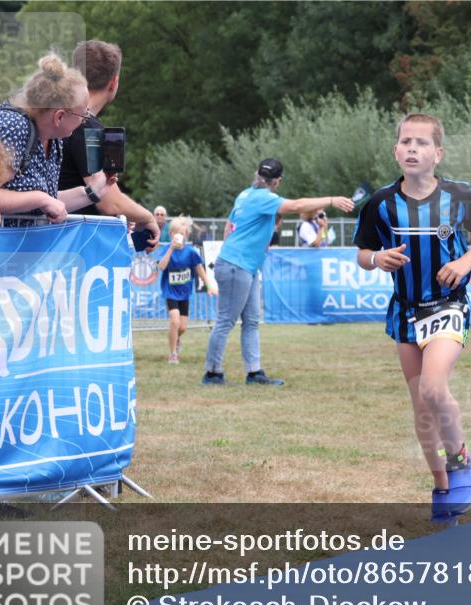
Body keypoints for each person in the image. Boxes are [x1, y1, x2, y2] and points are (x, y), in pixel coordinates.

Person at [353, 113, 471, 523]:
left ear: (438, 153)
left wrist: (467, 258)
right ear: (395, 150)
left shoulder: (458, 195)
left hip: (447, 304)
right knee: (421, 409)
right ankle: (442, 491)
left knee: (435, 389)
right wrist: (377, 258)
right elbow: (362, 253)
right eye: (405, 142)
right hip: (404, 311)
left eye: (421, 143)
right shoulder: (381, 204)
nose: (412, 148)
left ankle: (461, 461)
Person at [202, 158, 353, 386]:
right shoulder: (264, 198)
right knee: (226, 321)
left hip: (243, 264)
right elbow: (297, 206)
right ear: (278, 181)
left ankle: (254, 373)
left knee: (251, 320)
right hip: (238, 265)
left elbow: (228, 226)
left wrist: (233, 250)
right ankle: (212, 374)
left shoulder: (244, 195)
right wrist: (331, 200)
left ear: (257, 175)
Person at [0, 53, 116, 224]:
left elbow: (47, 202)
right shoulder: (11, 127)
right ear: (59, 117)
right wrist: (41, 199)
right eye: (83, 114)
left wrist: (92, 192)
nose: (85, 120)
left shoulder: (54, 138)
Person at [59, 40, 159, 249]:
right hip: (73, 249)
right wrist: (147, 217)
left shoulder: (55, 118)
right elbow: (109, 202)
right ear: (114, 83)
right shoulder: (88, 128)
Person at [157, 216, 215, 363]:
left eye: (182, 233)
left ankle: (176, 339)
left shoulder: (190, 252)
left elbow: (200, 270)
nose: (179, 236)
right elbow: (161, 266)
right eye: (176, 233)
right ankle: (172, 354)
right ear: (171, 235)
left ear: (186, 235)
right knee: (174, 321)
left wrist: (209, 285)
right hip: (170, 292)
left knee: (182, 327)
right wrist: (171, 248)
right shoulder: (165, 249)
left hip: (184, 293)